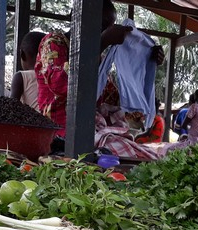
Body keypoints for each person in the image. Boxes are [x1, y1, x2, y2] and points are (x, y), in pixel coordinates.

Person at [36, 0, 161, 138]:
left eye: (108, 28)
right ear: (75, 16)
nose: (104, 31)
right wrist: (102, 42)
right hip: (55, 133)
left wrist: (147, 61)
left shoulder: (97, 58)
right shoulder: (53, 43)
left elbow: (111, 97)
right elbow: (60, 84)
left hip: (85, 132)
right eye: (101, 25)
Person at [9, 31, 46, 109]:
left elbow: (11, 109)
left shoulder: (21, 77)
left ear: (22, 54)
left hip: (33, 121)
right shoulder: (55, 76)